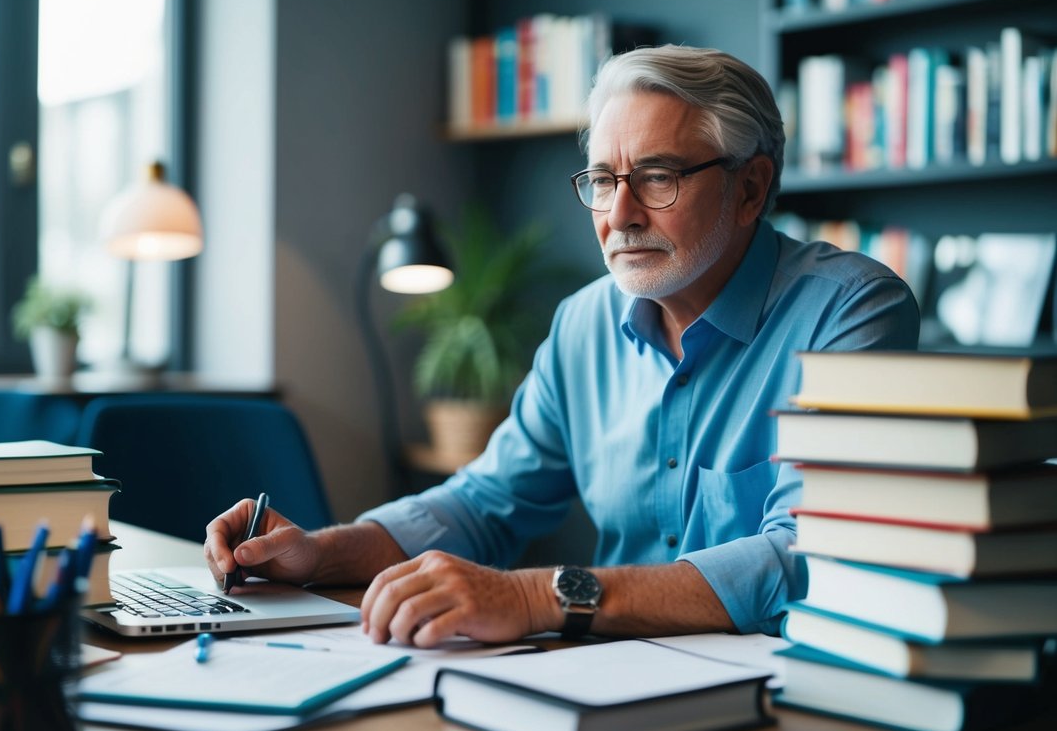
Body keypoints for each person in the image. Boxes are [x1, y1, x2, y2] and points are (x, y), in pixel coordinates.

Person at [205, 44, 920, 647]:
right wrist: (318, 553)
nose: (619, 214)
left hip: (786, 697)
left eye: (657, 178)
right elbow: (487, 503)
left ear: (750, 188)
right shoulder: (583, 324)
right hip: (609, 683)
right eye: (604, 181)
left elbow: (804, 554)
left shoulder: (852, 312)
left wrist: (539, 597)